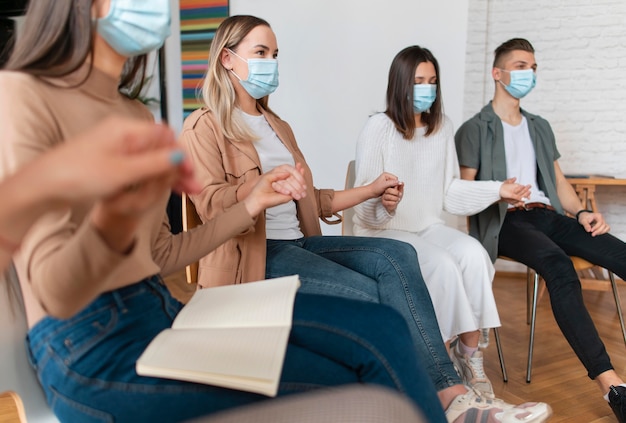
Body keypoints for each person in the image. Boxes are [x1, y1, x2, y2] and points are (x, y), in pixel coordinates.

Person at [0, 1, 462, 421]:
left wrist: (253, 203)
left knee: (381, 328)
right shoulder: (21, 94)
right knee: (363, 388)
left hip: (162, 310)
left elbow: (160, 256)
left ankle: (451, 399)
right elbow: (57, 293)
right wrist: (118, 213)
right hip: (89, 349)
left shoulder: (135, 115)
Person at [180, 15, 551, 423]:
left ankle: (450, 395)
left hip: (300, 243)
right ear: (228, 59)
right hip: (254, 256)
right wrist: (258, 190)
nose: (271, 62)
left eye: (275, 54)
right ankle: (442, 402)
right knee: (372, 294)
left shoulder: (276, 126)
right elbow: (210, 205)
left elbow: (315, 200)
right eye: (261, 53)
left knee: (398, 257)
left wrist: (370, 188)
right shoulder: (204, 126)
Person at [455, 37, 626, 423]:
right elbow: (462, 192)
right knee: (558, 267)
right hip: (507, 219)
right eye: (519, 66)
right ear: (497, 74)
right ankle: (612, 386)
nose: (527, 74)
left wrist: (582, 211)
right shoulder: (474, 129)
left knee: (621, 254)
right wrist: (495, 201)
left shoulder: (539, 126)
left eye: (532, 67)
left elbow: (558, 183)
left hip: (547, 214)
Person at [352, 45, 532, 399]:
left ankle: (468, 355)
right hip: (384, 230)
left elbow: (449, 191)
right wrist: (386, 205)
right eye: (419, 81)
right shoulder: (379, 127)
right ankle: (442, 365)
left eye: (432, 81)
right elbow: (363, 205)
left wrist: (499, 190)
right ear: (400, 84)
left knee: (474, 254)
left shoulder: (442, 127)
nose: (427, 88)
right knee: (445, 265)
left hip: (426, 224)